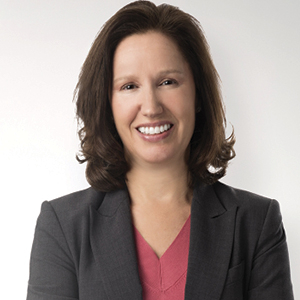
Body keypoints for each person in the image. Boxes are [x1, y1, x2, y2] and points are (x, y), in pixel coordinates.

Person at [26, 1, 294, 299]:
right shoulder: (62, 226)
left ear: (198, 95)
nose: (152, 107)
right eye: (129, 86)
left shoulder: (256, 222)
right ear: (107, 103)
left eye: (168, 82)